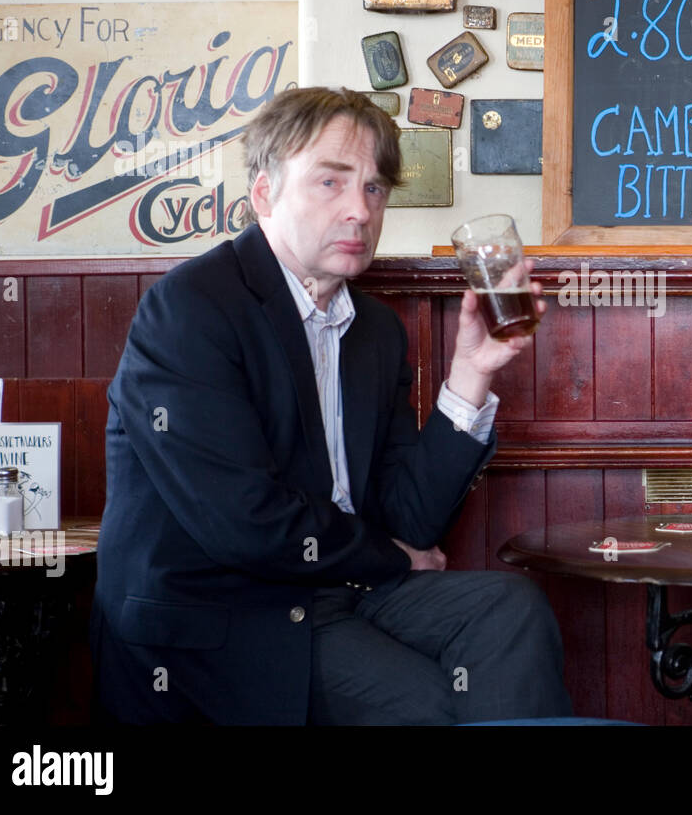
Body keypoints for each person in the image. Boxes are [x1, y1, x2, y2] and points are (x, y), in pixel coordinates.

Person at [90, 87, 572, 724]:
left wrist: (469, 373)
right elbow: (247, 523)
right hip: (228, 616)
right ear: (264, 193)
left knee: (511, 610)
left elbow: (409, 518)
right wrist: (393, 558)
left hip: (342, 589)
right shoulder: (191, 310)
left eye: (374, 189)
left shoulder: (373, 329)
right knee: (427, 702)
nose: (360, 211)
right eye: (330, 182)